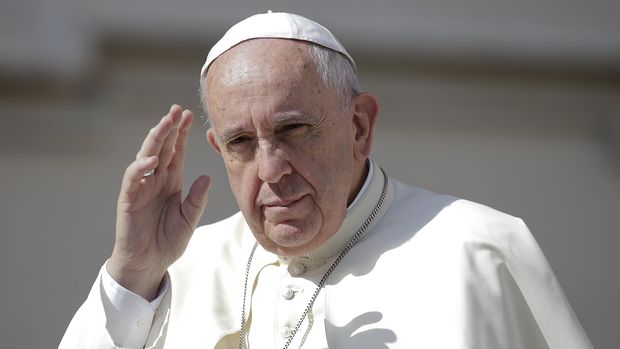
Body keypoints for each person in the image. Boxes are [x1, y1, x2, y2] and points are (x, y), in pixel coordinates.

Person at [59, 12, 592, 349]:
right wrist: (131, 276)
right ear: (219, 150)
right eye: (242, 143)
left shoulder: (478, 250)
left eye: (293, 130)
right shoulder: (176, 272)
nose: (271, 170)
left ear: (359, 126)